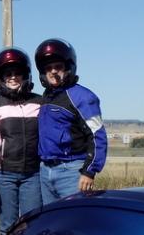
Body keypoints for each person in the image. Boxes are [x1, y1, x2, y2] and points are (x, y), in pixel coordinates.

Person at [0, 48, 43, 235]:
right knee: (8, 226)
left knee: (33, 225)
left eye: (17, 72)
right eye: (7, 73)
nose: (13, 77)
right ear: (0, 77)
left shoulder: (39, 102)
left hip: (33, 174)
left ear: (25, 74)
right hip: (4, 175)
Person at [35, 38, 107, 204]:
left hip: (71, 171)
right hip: (46, 170)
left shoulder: (82, 97)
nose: (53, 71)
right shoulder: (47, 97)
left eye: (58, 67)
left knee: (74, 217)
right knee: (51, 218)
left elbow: (97, 135)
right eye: (48, 68)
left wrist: (89, 171)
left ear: (68, 67)